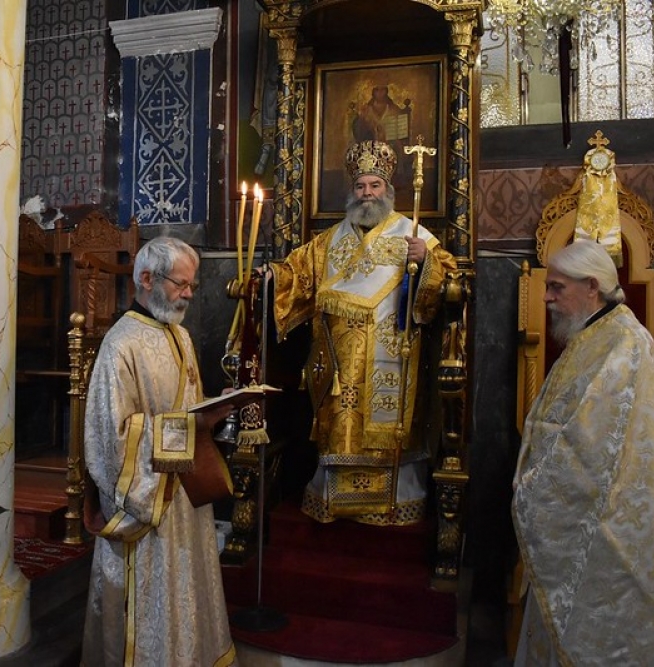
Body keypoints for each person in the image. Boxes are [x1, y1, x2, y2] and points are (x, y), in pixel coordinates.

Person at [512, 239, 654, 665]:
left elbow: (595, 443)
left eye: (557, 287)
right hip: (588, 510)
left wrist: (537, 485)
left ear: (592, 287)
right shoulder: (594, 334)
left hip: (608, 520)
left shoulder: (625, 347)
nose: (546, 297)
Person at [266, 140, 456, 525]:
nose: (367, 194)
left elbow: (450, 285)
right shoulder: (328, 241)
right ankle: (335, 499)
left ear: (389, 189)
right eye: (360, 187)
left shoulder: (412, 234)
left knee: (384, 428)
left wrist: (428, 263)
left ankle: (391, 500)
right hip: (337, 364)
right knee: (342, 425)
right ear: (351, 191)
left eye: (374, 185)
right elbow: (296, 276)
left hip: (391, 358)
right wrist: (270, 278)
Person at [81, 236, 237, 666]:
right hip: (147, 505)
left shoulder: (181, 337)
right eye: (180, 284)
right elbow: (110, 440)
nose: (189, 293)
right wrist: (191, 426)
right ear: (147, 278)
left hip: (184, 498)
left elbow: (189, 410)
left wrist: (217, 410)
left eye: (192, 284)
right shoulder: (120, 345)